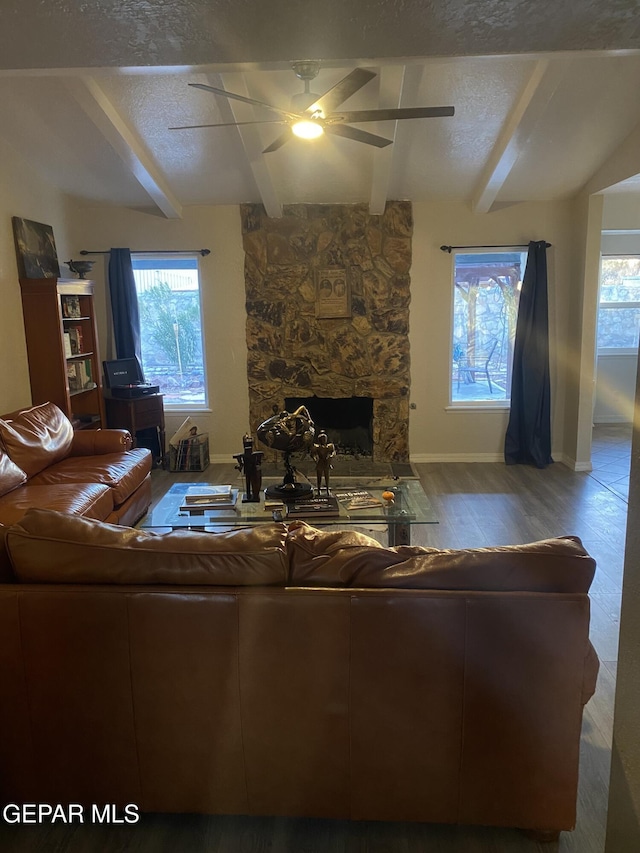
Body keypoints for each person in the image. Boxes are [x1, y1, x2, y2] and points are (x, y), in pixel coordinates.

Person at [233, 434, 263, 502]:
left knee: (253, 481)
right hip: (248, 469)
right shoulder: (245, 455)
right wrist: (240, 464)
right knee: (248, 481)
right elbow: (238, 458)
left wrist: (257, 463)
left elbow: (259, 458)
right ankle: (248, 495)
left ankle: (254, 495)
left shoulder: (253, 454)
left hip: (252, 469)